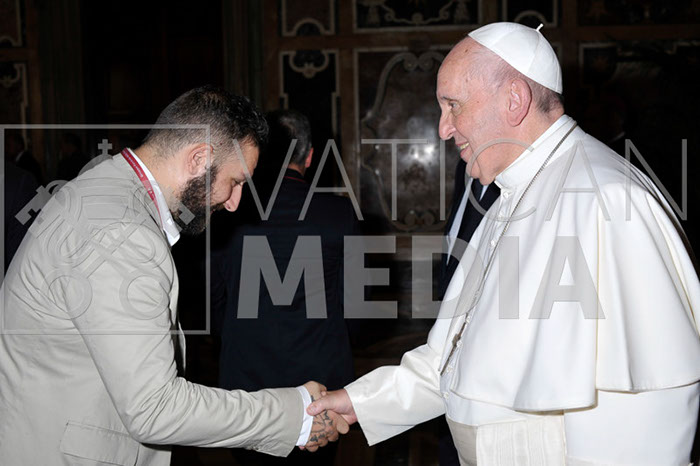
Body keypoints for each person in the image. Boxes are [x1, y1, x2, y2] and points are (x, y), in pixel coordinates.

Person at [308, 23, 700, 465]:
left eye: (453, 105)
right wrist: (360, 402)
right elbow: (451, 359)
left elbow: (648, 409)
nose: (443, 129)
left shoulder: (608, 199)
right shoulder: (509, 196)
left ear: (514, 99)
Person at [0, 86, 345, 466]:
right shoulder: (122, 232)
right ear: (199, 159)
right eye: (236, 181)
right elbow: (154, 408)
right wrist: (294, 414)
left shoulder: (103, 185)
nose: (234, 203)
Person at [212, 109, 357, 465]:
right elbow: (355, 310)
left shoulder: (229, 211)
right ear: (309, 157)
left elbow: (213, 301)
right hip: (320, 387)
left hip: (246, 384)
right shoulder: (339, 214)